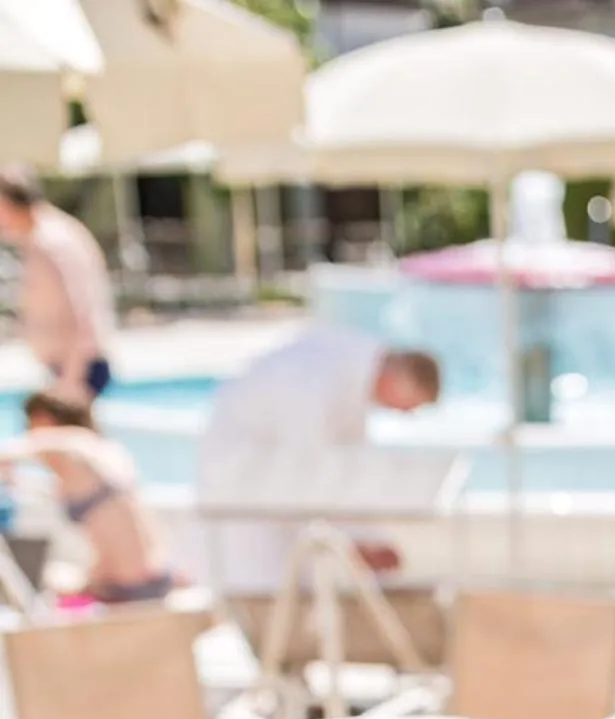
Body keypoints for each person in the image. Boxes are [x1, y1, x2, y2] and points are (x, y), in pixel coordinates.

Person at [198, 325, 443, 586]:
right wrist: (355, 542)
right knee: (264, 588)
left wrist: (369, 538)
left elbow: (346, 471)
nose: (404, 414)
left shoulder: (352, 375)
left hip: (270, 491)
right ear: (396, 383)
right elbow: (308, 472)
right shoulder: (321, 377)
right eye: (408, 406)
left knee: (294, 589)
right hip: (243, 492)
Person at [0, 392, 173, 603]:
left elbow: (13, 450)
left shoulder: (66, 444)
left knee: (41, 584)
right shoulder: (102, 449)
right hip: (156, 573)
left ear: (43, 418)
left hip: (124, 585)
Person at [0, 166, 115, 404]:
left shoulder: (51, 242)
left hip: (78, 369)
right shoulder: (43, 236)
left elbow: (80, 311)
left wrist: (70, 385)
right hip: (68, 367)